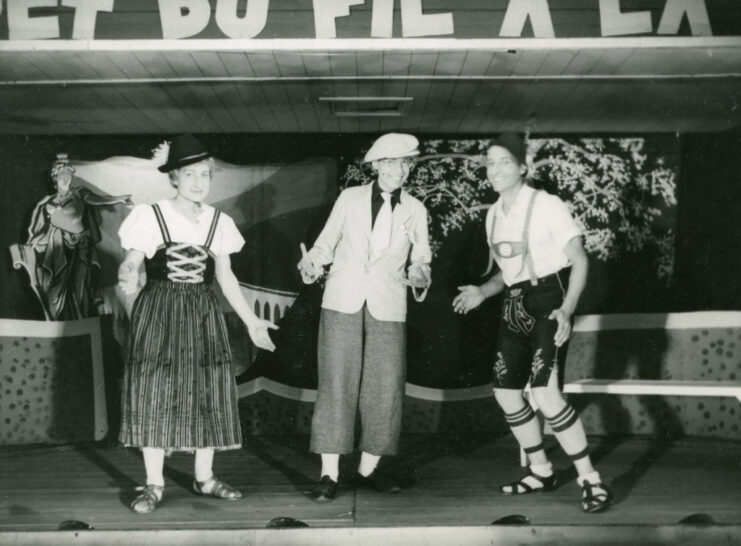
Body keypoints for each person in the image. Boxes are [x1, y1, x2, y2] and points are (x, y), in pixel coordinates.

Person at [117, 134, 278, 514]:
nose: (198, 182)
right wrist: (126, 274)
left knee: (208, 390)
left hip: (203, 312)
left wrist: (253, 321)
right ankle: (154, 484)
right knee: (153, 391)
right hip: (159, 308)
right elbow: (130, 263)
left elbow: (226, 277)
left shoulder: (218, 221)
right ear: (173, 177)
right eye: (190, 174)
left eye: (204, 174)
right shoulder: (150, 214)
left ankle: (204, 477)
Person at [452, 133, 613, 513]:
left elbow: (580, 260)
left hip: (549, 301)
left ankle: (590, 479)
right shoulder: (493, 214)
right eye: (490, 162)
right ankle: (541, 470)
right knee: (506, 393)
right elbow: (507, 277)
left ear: (523, 167)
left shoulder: (547, 205)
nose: (495, 170)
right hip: (514, 305)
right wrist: (481, 292)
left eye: (504, 161)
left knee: (545, 393)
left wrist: (567, 309)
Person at [297, 133, 432, 501]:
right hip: (342, 301)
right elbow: (324, 246)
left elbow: (421, 262)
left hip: (389, 307)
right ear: (376, 166)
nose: (399, 170)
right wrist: (311, 265)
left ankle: (369, 470)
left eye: (406, 163)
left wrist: (419, 275)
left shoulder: (416, 210)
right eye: (391, 162)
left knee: (385, 389)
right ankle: (329, 475)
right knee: (336, 385)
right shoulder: (349, 198)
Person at [24, 153, 133, 319]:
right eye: (62, 173)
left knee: (80, 287)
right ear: (55, 177)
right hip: (56, 252)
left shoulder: (79, 193)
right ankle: (59, 322)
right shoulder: (46, 203)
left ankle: (81, 322)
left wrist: (117, 199)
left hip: (80, 250)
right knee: (56, 291)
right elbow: (36, 230)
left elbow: (97, 200)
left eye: (68, 173)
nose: (66, 177)